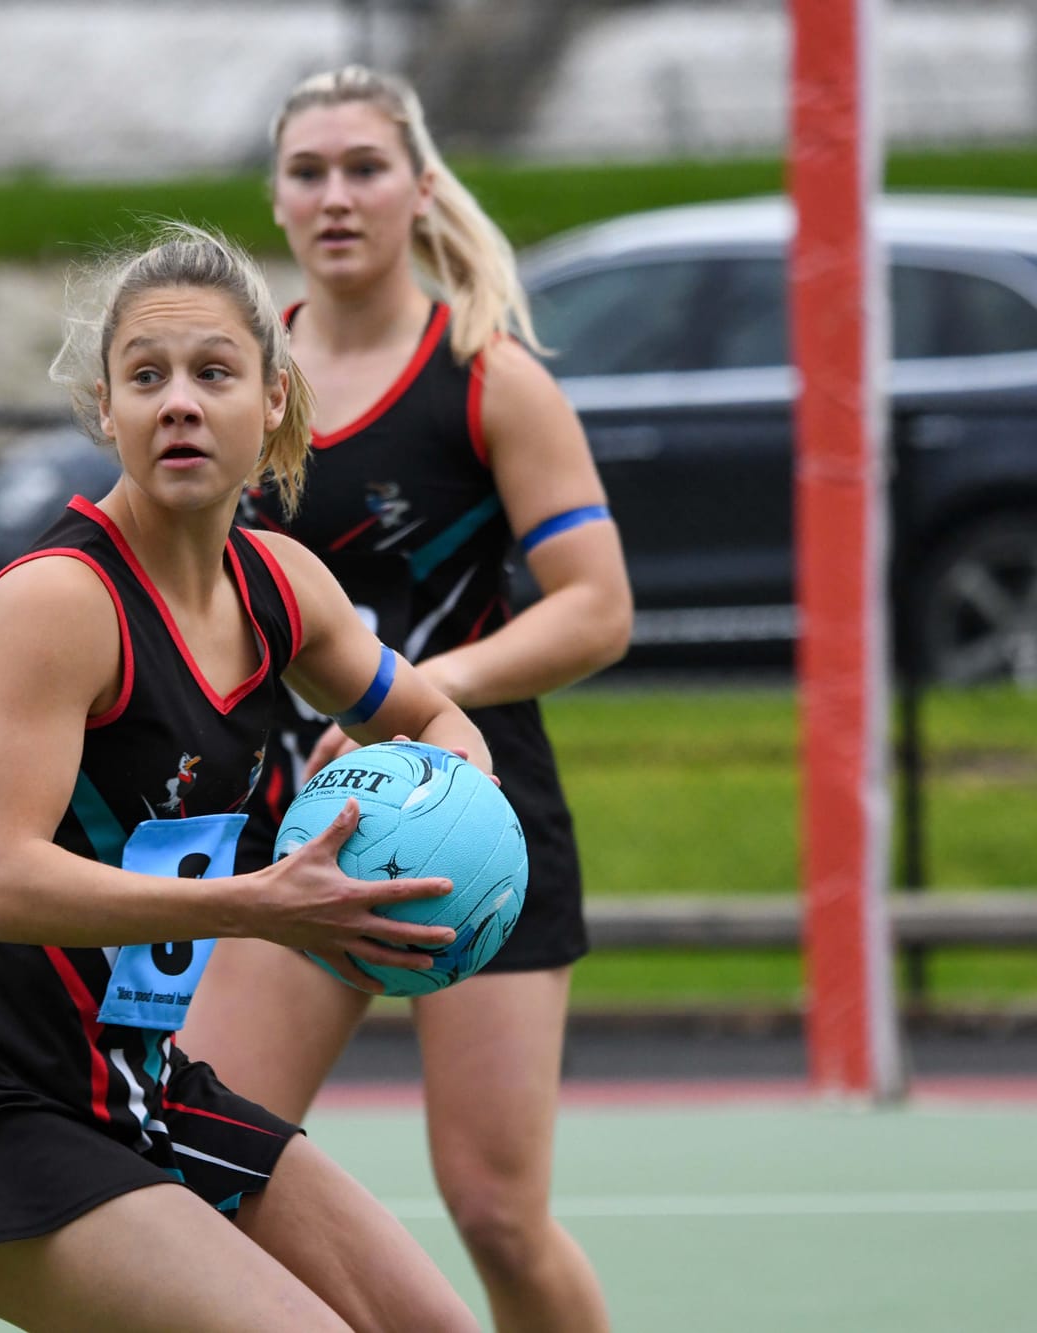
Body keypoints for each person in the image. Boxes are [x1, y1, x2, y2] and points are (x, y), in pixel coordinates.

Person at [0, 224, 491, 1333]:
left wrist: (430, 790)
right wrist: (258, 904)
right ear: (105, 409)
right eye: (145, 377)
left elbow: (440, 717)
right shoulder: (59, 601)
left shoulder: (283, 587)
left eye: (213, 373)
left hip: (134, 1079)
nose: (179, 403)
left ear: (273, 399)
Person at [181, 67, 634, 1333]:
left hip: (470, 806)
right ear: (276, 198)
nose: (335, 195)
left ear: (418, 190)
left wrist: (422, 695)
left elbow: (595, 607)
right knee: (207, 1157)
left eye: (363, 168)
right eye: (308, 171)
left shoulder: (486, 377)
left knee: (495, 1211)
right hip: (295, 818)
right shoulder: (239, 378)